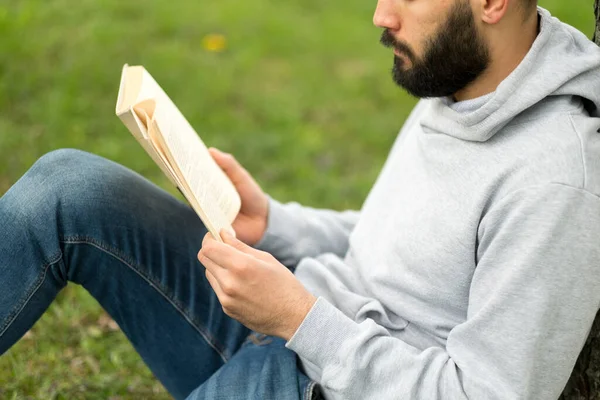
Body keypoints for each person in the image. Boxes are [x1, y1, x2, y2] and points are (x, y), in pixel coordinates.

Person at [2, 0, 600, 398]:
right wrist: (275, 226)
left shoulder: (555, 181)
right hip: (293, 323)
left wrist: (300, 320)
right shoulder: (459, 71)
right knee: (66, 188)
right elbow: (407, 248)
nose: (380, 14)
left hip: (316, 379)